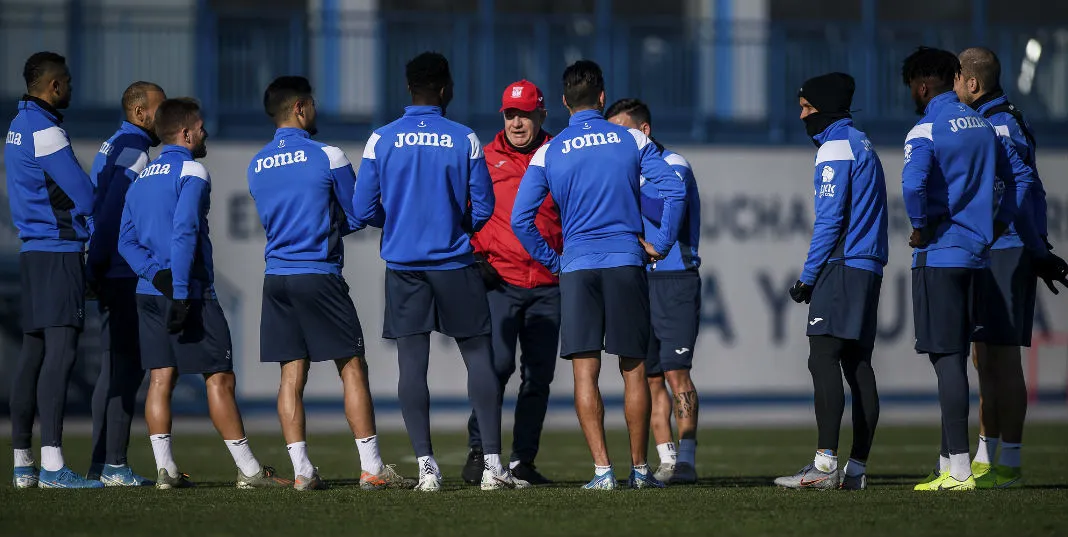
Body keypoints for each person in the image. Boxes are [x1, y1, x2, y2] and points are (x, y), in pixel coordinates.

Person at [352, 52, 527, 492]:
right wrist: (455, 227)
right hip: (454, 263)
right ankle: (492, 466)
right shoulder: (463, 137)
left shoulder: (381, 139)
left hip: (404, 268)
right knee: (479, 359)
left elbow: (361, 209)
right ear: (446, 88)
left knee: (412, 366)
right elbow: (483, 207)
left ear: (408, 89)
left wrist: (396, 225)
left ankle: (427, 468)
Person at [511, 60, 686, 490]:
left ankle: (602, 471)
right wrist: (661, 244)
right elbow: (674, 189)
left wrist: (555, 262)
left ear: (565, 102)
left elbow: (521, 219)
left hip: (578, 268)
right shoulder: (629, 137)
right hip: (626, 261)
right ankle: (640, 470)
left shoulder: (549, 151)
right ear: (602, 98)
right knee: (634, 369)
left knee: (584, 372)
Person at [248, 76, 411, 491]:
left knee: (291, 375)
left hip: (277, 278)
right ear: (301, 107)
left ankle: (303, 471)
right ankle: (372, 467)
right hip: (318, 274)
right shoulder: (328, 155)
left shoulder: (257, 163)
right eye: (314, 104)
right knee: (352, 367)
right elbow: (358, 212)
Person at [119, 98, 288, 489]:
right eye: (200, 126)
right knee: (219, 378)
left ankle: (166, 470)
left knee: (161, 378)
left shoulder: (141, 176)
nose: (205, 132)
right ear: (186, 133)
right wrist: (178, 290)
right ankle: (248, 471)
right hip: (191, 292)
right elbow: (185, 232)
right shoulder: (192, 170)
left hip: (149, 292)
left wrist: (153, 275)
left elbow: (125, 241)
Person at [900, 47, 1034, 492]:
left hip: (944, 253)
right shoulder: (985, 125)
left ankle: (962, 468)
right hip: (979, 253)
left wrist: (919, 228)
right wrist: (992, 224)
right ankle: (959, 462)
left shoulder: (928, 128)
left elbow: (913, 184)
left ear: (923, 87)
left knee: (954, 360)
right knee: (973, 358)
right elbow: (1019, 178)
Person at [954, 47, 1068, 489]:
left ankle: (1011, 463)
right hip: (996, 247)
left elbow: (1023, 188)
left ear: (973, 83)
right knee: (985, 355)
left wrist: (1032, 246)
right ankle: (986, 456)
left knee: (1003, 359)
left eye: (958, 80)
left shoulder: (1001, 124)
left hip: (1007, 248)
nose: (956, 88)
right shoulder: (993, 121)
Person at [772, 73, 888, 491]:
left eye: (806, 107)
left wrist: (807, 278)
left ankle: (823, 468)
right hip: (868, 265)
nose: (801, 114)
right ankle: (856, 470)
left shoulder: (835, 148)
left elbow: (830, 220)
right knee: (858, 364)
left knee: (822, 357)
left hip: (841, 265)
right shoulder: (862, 142)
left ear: (823, 107)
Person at [5, 51, 102, 489]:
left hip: (32, 252)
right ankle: (52, 466)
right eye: (67, 81)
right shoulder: (46, 130)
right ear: (54, 86)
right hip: (59, 251)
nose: (72, 88)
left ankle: (23, 464)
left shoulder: (16, 126)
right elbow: (85, 195)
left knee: (33, 356)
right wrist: (88, 221)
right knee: (60, 357)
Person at [462, 80, 560, 486]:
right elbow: (461, 212)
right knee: (496, 368)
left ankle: (522, 460)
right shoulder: (483, 159)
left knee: (538, 377)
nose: (517, 122)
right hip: (500, 280)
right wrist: (472, 255)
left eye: (524, 114)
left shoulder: (560, 154)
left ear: (542, 115)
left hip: (549, 283)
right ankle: (480, 452)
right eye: (510, 114)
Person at [604, 98, 702, 485]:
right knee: (649, 376)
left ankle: (688, 460)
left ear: (644, 132)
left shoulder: (674, 164)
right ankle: (666, 459)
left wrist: (620, 189)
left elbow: (665, 210)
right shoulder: (624, 169)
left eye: (622, 131)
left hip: (674, 278)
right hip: (638, 279)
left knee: (678, 373)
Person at [85, 81, 166, 487]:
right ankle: (113, 464)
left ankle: (103, 463)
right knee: (126, 369)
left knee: (111, 368)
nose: (164, 117)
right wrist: (98, 265)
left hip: (107, 267)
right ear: (140, 114)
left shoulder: (113, 142)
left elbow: (93, 207)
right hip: (120, 271)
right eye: (159, 109)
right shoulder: (135, 151)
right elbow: (114, 213)